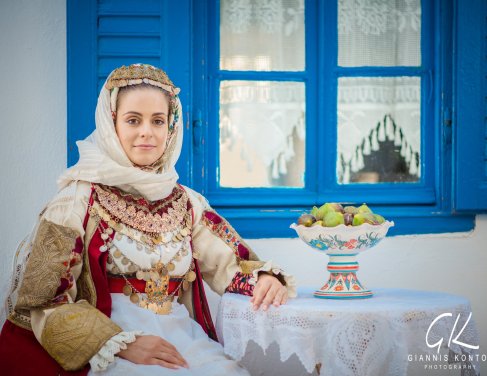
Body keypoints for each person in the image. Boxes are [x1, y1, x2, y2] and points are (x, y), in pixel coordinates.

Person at [0, 64, 296, 375]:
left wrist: (263, 279)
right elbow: (44, 300)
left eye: (158, 121)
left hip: (181, 337)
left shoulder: (187, 203)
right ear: (111, 124)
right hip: (107, 342)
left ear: (171, 128)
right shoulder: (75, 202)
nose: (147, 132)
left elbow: (232, 262)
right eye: (133, 120)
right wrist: (122, 343)